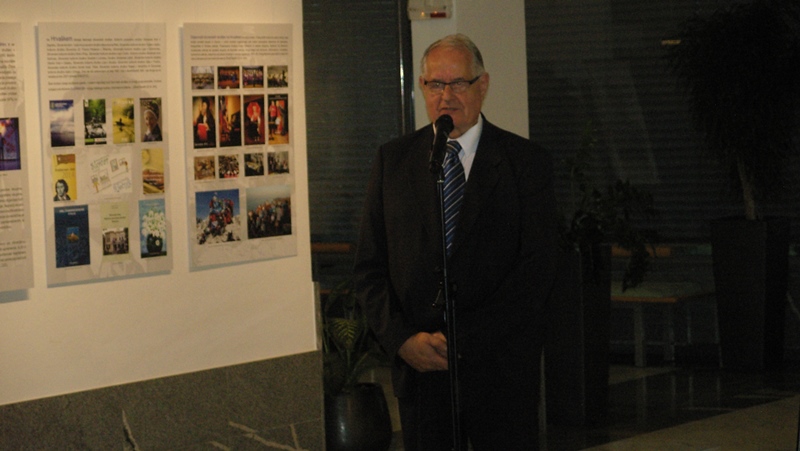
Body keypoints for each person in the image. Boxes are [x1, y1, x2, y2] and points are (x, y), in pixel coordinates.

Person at [353, 34, 558, 450]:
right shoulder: (393, 161)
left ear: (483, 86)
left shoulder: (526, 162)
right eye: (435, 84)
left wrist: (465, 341)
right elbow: (369, 268)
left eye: (458, 83)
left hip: (499, 373)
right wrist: (403, 340)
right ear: (421, 88)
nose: (446, 96)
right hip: (421, 373)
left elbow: (537, 270)